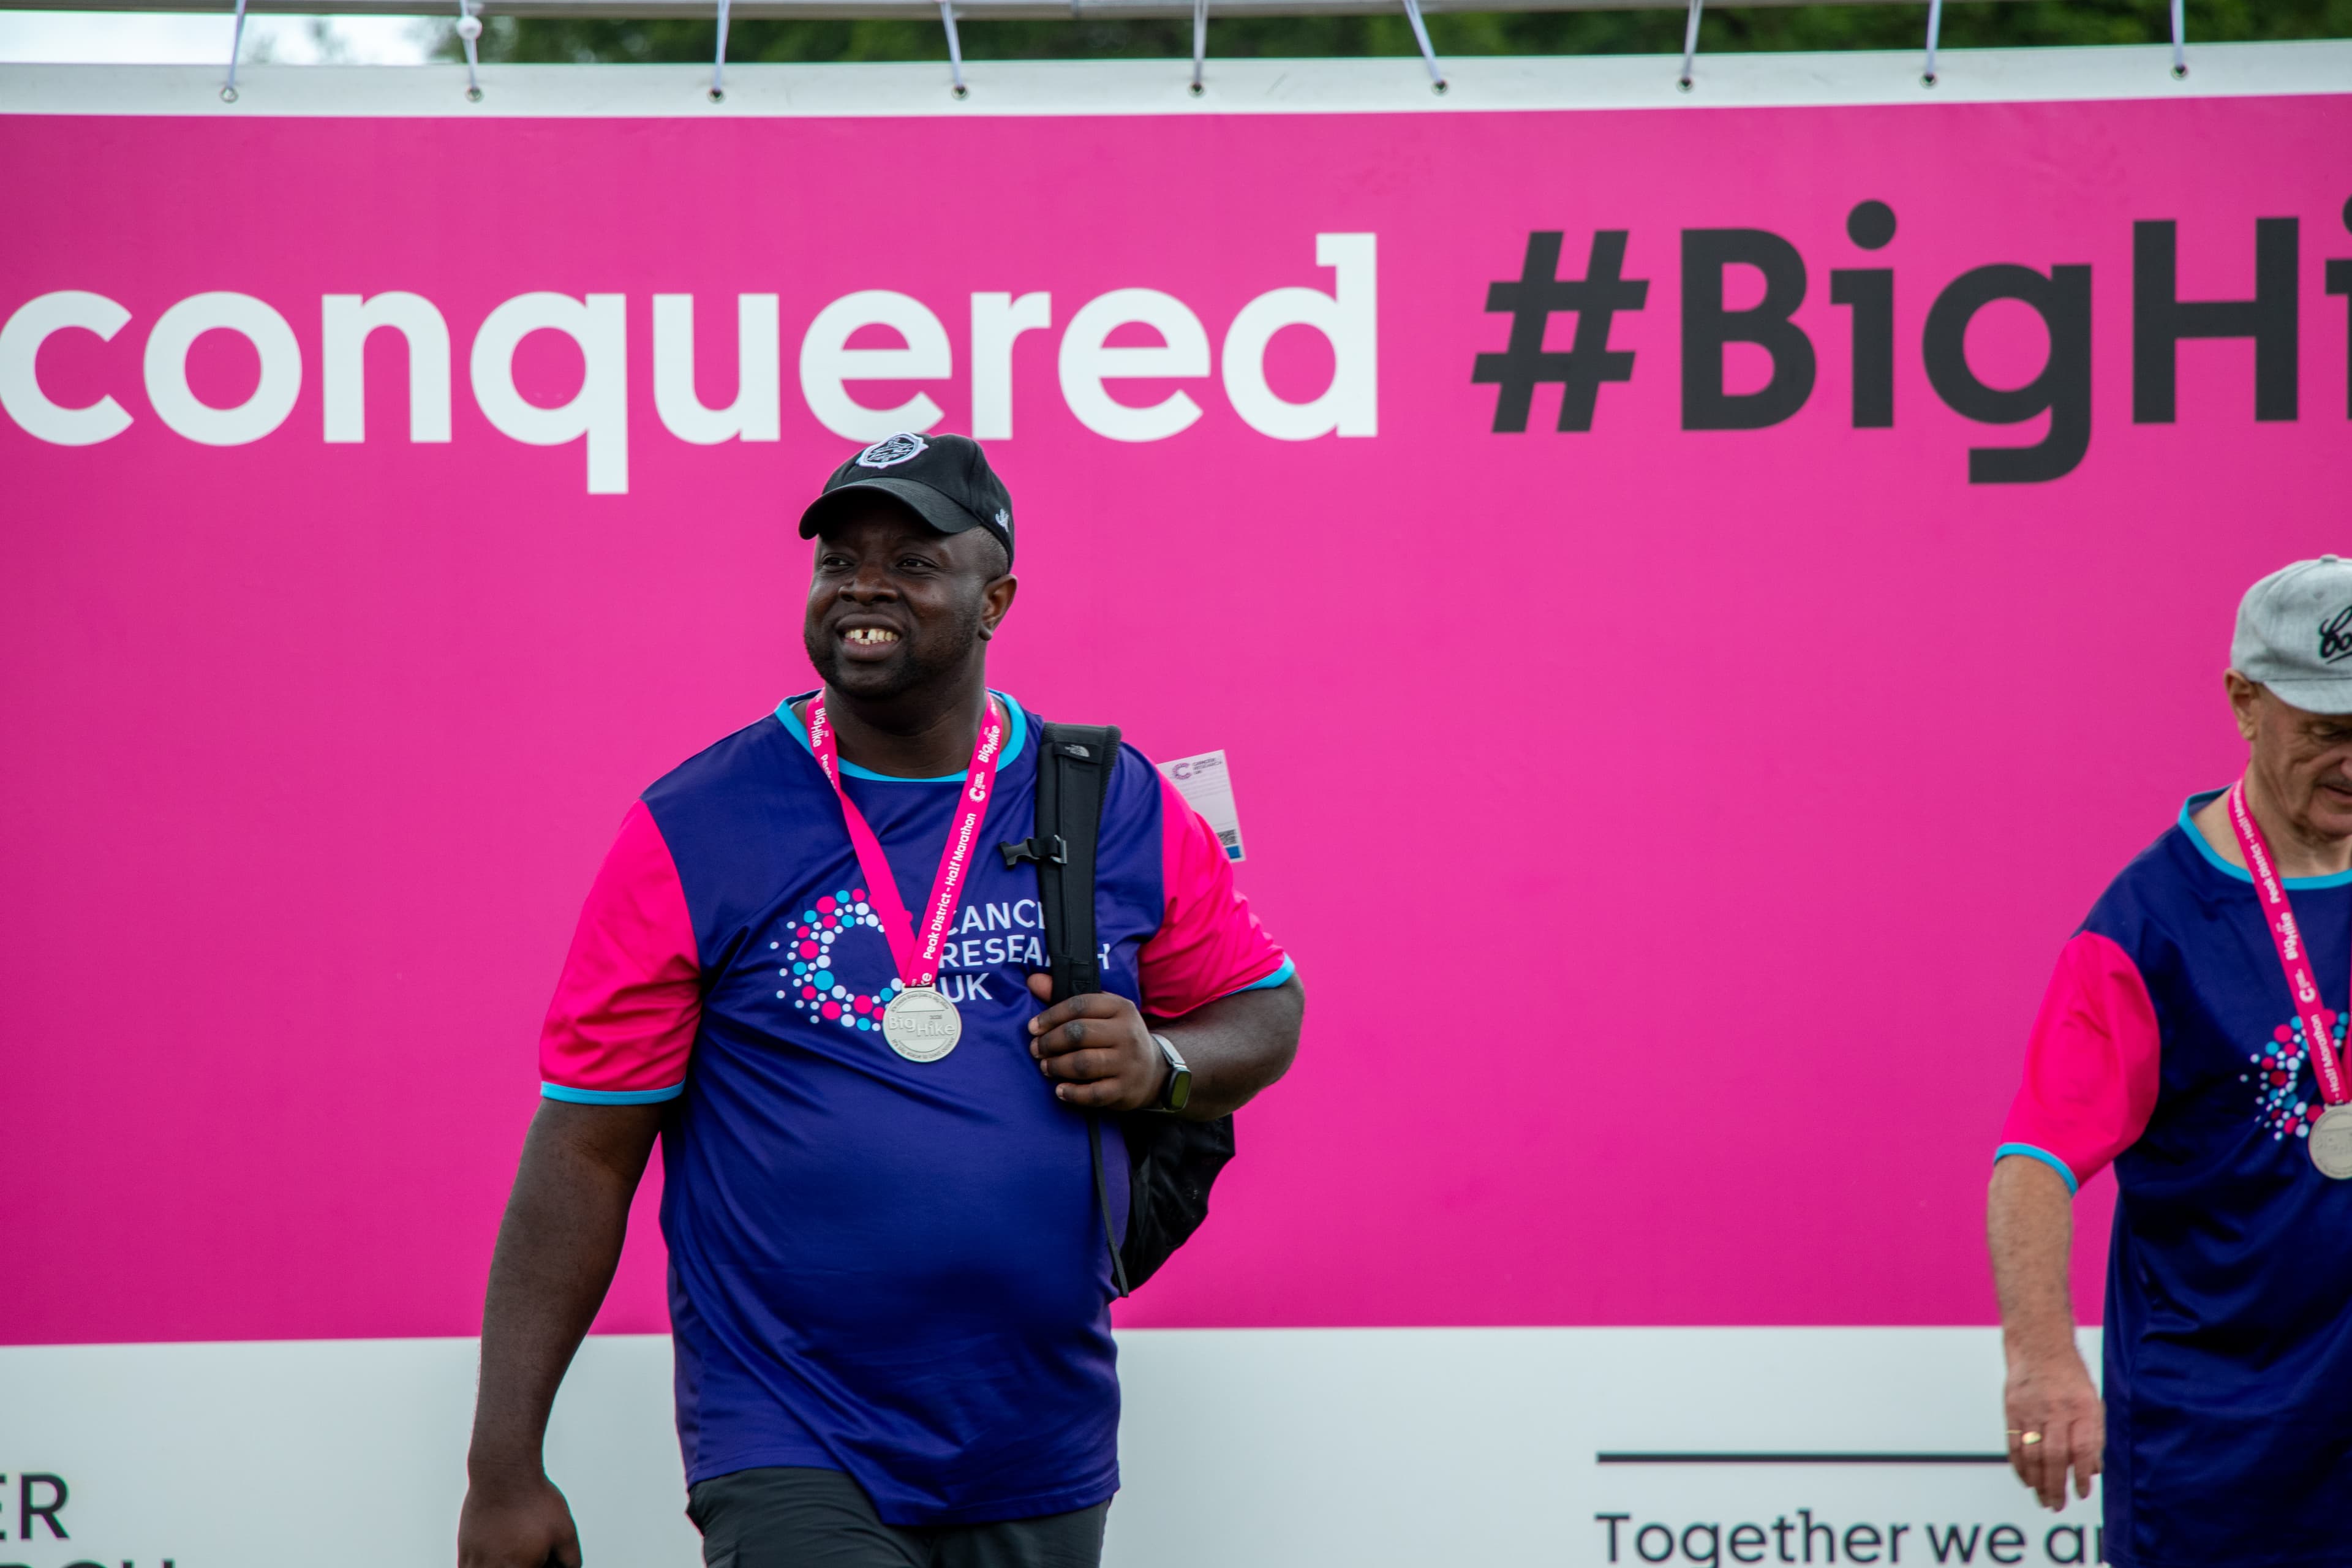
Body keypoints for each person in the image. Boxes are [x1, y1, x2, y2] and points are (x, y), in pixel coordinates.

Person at [456, 431, 1304, 1568]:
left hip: (1038, 1433)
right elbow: (585, 1150)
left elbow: (1265, 1012)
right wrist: (503, 1465)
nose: (863, 586)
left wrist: (1162, 1065)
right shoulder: (695, 825)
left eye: (911, 562)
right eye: (839, 560)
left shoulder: (1113, 801)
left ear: (995, 596)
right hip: (789, 1429)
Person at [1988, 555, 2352, 1560]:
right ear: (2245, 702)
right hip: (2224, 1452)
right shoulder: (2149, 929)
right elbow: (2034, 1163)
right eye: (2327, 733)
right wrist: (2043, 1358)